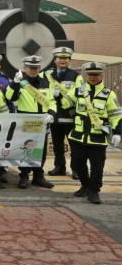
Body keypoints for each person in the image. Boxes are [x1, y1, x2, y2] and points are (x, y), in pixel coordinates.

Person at [63, 62, 121, 204]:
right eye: (90, 74)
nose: (93, 77)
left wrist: (117, 132)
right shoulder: (79, 90)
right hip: (78, 136)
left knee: (97, 167)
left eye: (96, 74)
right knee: (77, 164)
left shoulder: (109, 94)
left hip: (98, 138)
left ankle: (94, 191)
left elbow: (116, 115)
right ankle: (85, 185)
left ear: (102, 75)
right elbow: (65, 102)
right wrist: (72, 111)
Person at [6, 56, 56, 189]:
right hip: (27, 120)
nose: (33, 70)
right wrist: (15, 83)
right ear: (25, 68)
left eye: (36, 68)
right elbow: (10, 97)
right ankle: (24, 176)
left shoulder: (45, 82)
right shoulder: (20, 81)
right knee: (27, 148)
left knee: (41, 150)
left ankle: (38, 176)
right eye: (30, 67)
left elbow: (52, 101)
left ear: (39, 68)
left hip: (43, 120)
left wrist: (52, 113)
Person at [42, 47, 82, 178]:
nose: (63, 60)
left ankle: (76, 169)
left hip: (70, 115)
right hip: (53, 115)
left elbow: (78, 94)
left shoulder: (76, 76)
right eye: (60, 58)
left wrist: (62, 98)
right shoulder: (47, 74)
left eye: (65, 58)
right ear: (55, 60)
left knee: (74, 145)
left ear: (69, 60)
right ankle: (59, 167)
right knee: (57, 144)